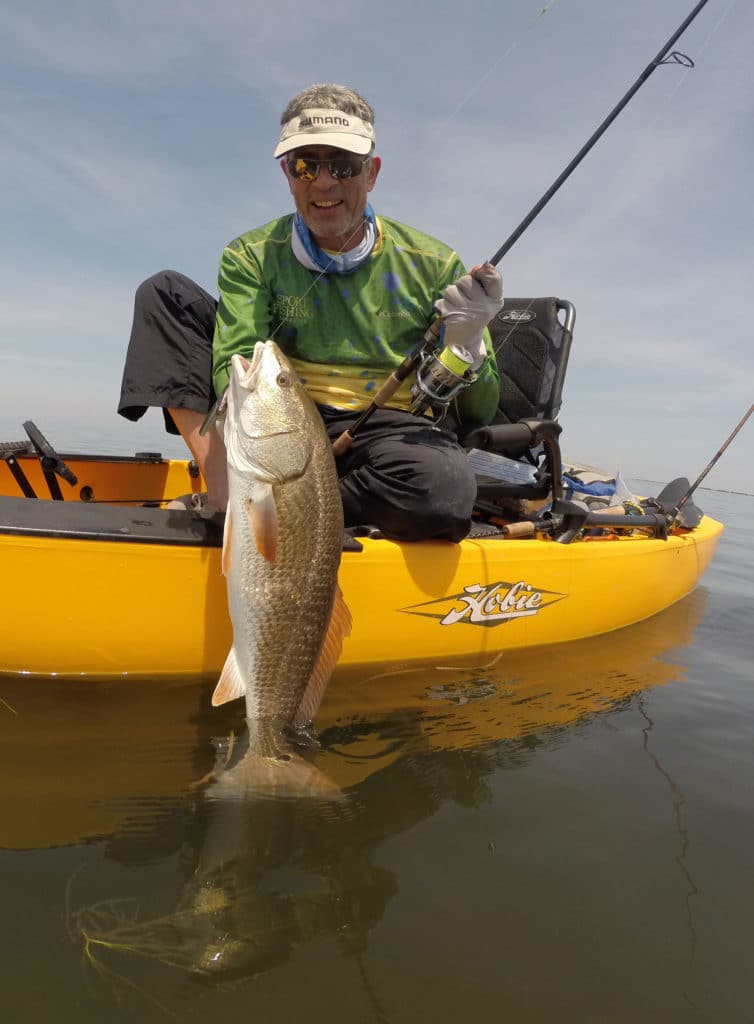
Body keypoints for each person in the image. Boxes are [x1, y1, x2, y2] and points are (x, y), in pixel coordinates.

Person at [118, 83, 504, 542]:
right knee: (165, 294)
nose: (323, 182)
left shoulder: (436, 264)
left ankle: (274, 510)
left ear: (372, 172)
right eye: (305, 165)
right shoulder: (250, 255)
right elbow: (235, 361)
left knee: (443, 489)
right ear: (287, 172)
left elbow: (482, 411)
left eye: (342, 165)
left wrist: (467, 342)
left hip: (385, 432)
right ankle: (223, 486)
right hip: (281, 414)